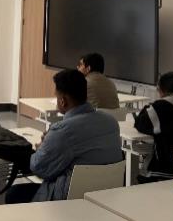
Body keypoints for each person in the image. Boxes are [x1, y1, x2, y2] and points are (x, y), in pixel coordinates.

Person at [6, 69, 123, 203]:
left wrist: (42, 147)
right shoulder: (111, 122)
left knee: (14, 193)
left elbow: (38, 168)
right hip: (104, 197)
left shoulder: (62, 131)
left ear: (62, 101)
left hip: (68, 200)